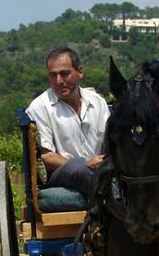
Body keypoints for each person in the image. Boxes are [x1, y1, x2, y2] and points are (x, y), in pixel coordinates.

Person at [25, 46, 110, 199]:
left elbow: (110, 143)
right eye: (53, 75)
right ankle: (108, 205)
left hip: (99, 170)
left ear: (80, 72)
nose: (59, 81)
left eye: (65, 74)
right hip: (61, 175)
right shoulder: (40, 107)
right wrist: (86, 165)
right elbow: (46, 157)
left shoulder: (98, 102)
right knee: (78, 167)